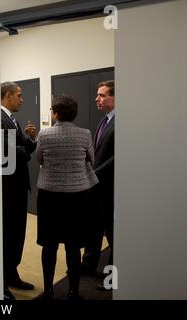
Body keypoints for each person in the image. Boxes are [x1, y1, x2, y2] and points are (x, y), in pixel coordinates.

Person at [36, 95, 98, 300]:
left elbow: (39, 158)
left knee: (49, 245)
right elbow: (92, 158)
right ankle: (73, 291)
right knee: (73, 246)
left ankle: (48, 290)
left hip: (49, 197)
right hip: (77, 196)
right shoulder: (85, 134)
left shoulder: (44, 135)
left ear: (55, 113)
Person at [0, 82, 37, 300]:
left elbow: (22, 147)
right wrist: (24, 149)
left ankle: (12, 273)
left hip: (19, 185)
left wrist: (31, 139)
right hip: (7, 187)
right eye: (19, 96)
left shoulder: (12, 120)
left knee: (17, 233)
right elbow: (8, 151)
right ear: (7, 96)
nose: (22, 99)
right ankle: (2, 282)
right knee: (7, 233)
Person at [82, 80, 115, 289]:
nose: (97, 99)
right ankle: (88, 264)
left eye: (102, 95)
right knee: (93, 228)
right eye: (97, 94)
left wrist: (93, 174)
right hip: (97, 187)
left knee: (114, 234)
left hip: (112, 187)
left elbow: (118, 157)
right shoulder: (104, 121)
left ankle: (113, 278)